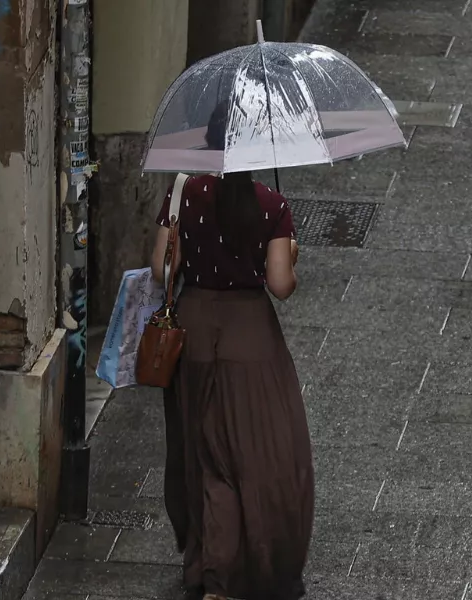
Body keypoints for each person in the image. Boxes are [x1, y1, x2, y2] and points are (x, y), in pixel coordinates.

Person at [150, 101, 313, 600]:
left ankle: (214, 575)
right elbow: (281, 286)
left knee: (209, 455)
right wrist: (293, 257)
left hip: (195, 332)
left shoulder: (182, 194)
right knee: (263, 455)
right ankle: (257, 565)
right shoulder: (271, 205)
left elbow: (161, 270)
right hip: (251, 337)